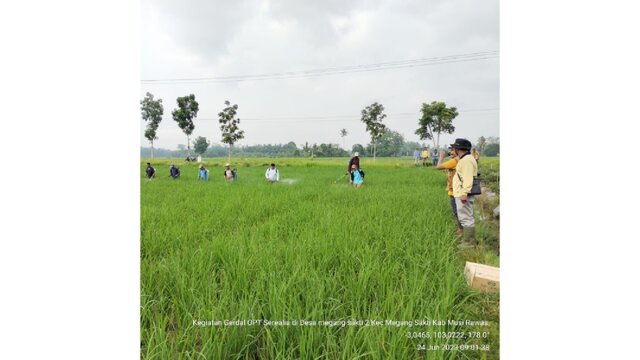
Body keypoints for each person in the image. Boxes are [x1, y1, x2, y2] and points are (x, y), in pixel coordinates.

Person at [450, 138, 478, 248]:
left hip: (463, 193)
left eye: (454, 148)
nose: (453, 150)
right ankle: (468, 240)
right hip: (461, 192)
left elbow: (467, 178)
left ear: (458, 149)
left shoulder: (466, 160)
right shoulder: (466, 159)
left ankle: (469, 243)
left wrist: (464, 193)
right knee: (465, 217)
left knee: (466, 217)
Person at [436, 148, 463, 236]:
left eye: (452, 150)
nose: (450, 152)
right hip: (458, 189)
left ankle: (461, 231)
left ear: (457, 151)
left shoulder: (455, 161)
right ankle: (461, 230)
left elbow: (438, 167)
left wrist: (441, 156)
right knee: (460, 212)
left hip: (454, 191)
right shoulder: (461, 159)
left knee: (457, 212)